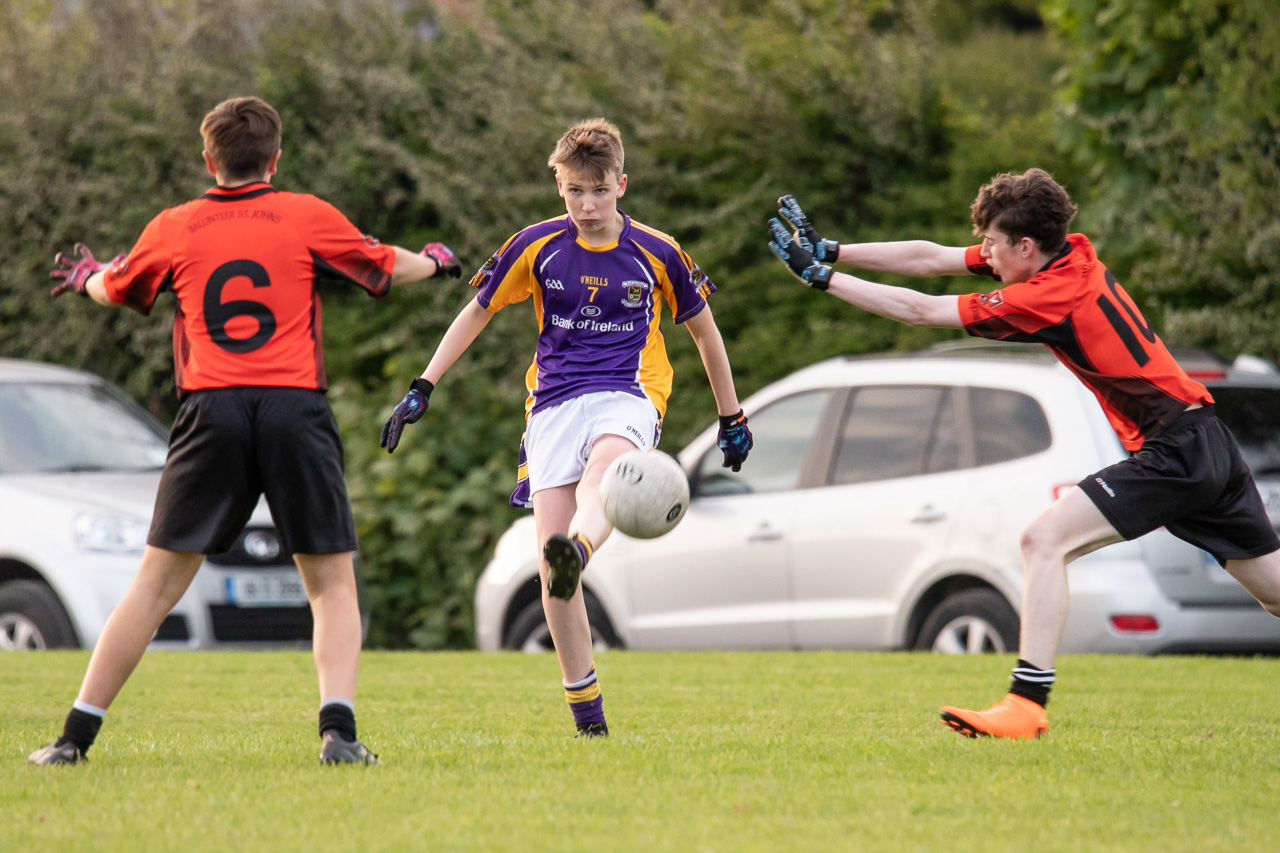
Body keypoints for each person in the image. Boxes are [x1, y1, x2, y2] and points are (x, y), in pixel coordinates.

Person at [765, 169, 1280, 739]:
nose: (983, 253)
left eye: (991, 244)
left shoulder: (1048, 295)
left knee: (1044, 539)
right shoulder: (1066, 256)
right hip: (1202, 435)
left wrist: (823, 279)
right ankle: (1025, 706)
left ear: (1025, 247)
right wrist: (835, 250)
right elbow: (932, 259)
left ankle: (1026, 704)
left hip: (1176, 448)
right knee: (1275, 595)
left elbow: (923, 311)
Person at [28, 96, 462, 766]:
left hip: (212, 408)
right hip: (294, 408)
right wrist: (436, 260)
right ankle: (338, 736)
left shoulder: (177, 225)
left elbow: (113, 287)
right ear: (276, 157)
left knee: (155, 582)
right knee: (330, 582)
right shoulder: (305, 214)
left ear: (209, 159)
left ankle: (72, 739)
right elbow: (387, 265)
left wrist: (85, 275)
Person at [380, 118, 753, 738]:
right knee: (552, 585)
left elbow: (705, 334)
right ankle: (589, 720)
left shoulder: (658, 252)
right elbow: (475, 313)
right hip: (552, 405)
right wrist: (423, 385)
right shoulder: (535, 245)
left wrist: (730, 414)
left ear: (622, 185)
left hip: (629, 394)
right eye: (575, 190)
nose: (587, 204)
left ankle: (579, 548)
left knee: (605, 474)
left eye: (599, 190)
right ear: (559, 186)